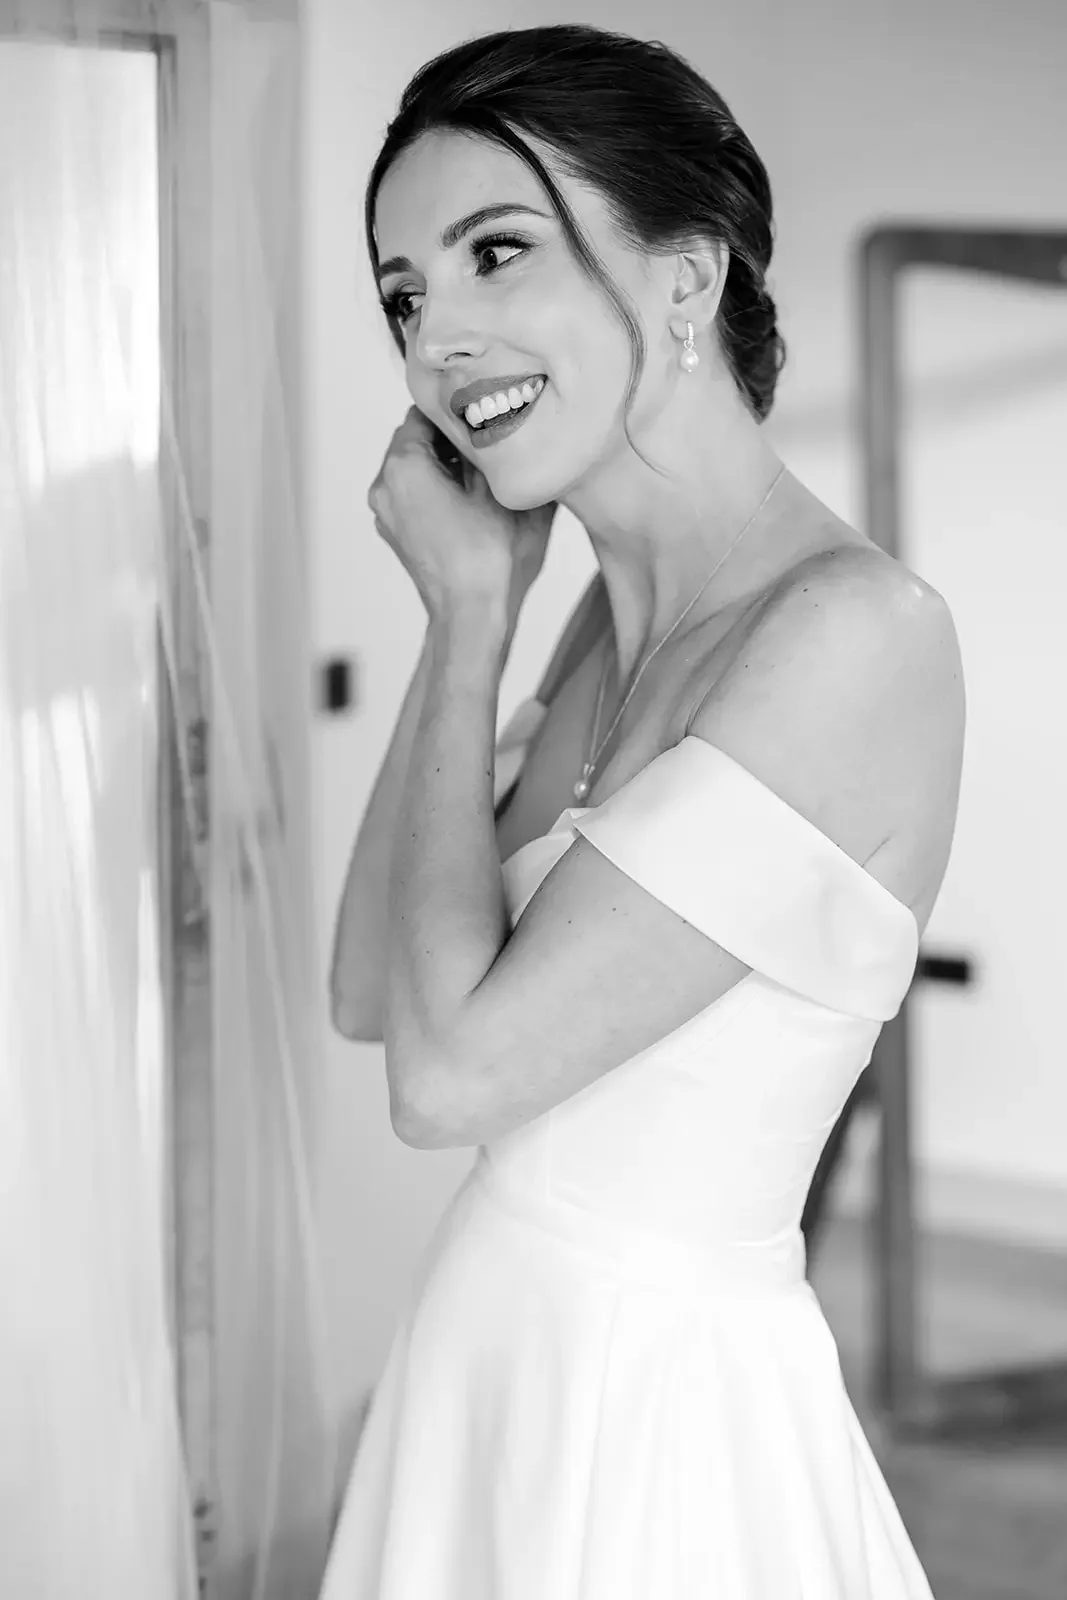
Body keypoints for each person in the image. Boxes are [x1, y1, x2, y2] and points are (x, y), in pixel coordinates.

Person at [323, 21, 964, 1599]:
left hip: (657, 1409)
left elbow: (447, 1073)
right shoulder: (604, 616)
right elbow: (365, 990)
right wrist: (467, 618)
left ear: (685, 278)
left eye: (494, 255)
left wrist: (475, 624)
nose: (435, 341)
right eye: (406, 294)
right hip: (490, 1342)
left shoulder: (851, 632)